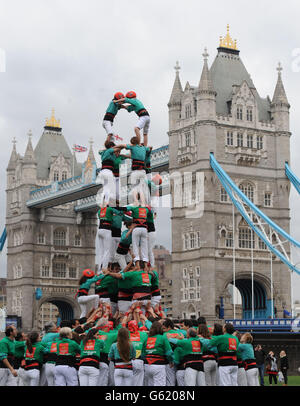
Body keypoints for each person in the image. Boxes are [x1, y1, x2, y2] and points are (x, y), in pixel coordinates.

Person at [142, 321, 173, 386]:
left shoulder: (146, 338)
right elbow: (169, 352)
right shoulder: (163, 338)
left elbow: (143, 354)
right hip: (159, 365)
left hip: (147, 365)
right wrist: (171, 361)